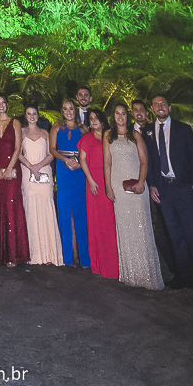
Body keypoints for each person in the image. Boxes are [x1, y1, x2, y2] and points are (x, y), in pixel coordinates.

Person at [144, 94, 193, 302]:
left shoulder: (183, 129)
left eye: (163, 104)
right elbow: (148, 162)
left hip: (184, 190)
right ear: (152, 108)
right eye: (156, 104)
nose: (160, 107)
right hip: (164, 193)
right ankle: (186, 279)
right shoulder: (149, 131)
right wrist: (152, 184)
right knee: (176, 238)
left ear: (169, 107)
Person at [104, 103, 163, 290]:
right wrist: (108, 187)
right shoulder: (108, 136)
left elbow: (145, 161)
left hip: (136, 187)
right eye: (117, 113)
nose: (120, 117)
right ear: (113, 116)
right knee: (125, 228)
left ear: (127, 116)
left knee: (142, 228)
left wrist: (141, 182)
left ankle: (146, 276)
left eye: (123, 114)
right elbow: (107, 163)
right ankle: (130, 274)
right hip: (117, 187)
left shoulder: (135, 135)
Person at [131, 97, 176, 279]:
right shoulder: (127, 132)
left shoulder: (153, 130)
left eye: (142, 109)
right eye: (135, 110)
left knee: (162, 227)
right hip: (135, 184)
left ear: (147, 112)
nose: (139, 112)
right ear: (131, 113)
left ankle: (173, 267)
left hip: (155, 185)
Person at [0, 94, 29, 266]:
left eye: (4, 102)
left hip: (13, 169)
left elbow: (18, 147)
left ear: (7, 105)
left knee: (12, 206)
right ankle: (0, 252)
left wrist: (10, 167)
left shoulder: (16, 123)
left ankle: (13, 254)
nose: (1, 105)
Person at [19, 104, 62, 266]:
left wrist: (38, 167)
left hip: (44, 174)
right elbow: (18, 153)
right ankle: (32, 253)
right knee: (30, 209)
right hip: (27, 174)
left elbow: (51, 154)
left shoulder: (45, 133)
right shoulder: (21, 132)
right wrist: (31, 167)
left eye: (34, 113)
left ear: (38, 116)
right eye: (28, 113)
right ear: (26, 116)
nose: (31, 116)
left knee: (46, 209)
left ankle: (49, 253)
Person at [77, 109, 118, 279]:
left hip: (110, 180)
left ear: (103, 120)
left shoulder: (110, 137)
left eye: (96, 118)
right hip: (94, 183)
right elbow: (82, 160)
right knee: (97, 223)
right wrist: (91, 181)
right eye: (91, 119)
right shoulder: (86, 138)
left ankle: (115, 263)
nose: (94, 121)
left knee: (111, 223)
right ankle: (100, 263)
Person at [50, 99, 89, 268]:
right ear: (62, 110)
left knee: (81, 212)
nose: (68, 111)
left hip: (79, 171)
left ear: (75, 110)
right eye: (65, 109)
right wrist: (65, 160)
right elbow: (52, 149)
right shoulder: (57, 127)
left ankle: (84, 257)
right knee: (65, 213)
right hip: (64, 169)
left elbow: (89, 152)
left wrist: (79, 164)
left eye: (71, 108)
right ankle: (69, 256)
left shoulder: (84, 129)